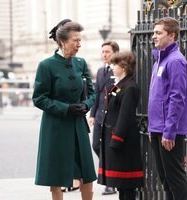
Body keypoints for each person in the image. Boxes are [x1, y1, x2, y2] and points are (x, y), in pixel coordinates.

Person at [32, 19, 97, 200]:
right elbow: (39, 98)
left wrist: (86, 105)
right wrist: (66, 108)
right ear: (63, 41)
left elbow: (92, 93)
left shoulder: (81, 63)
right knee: (56, 174)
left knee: (86, 170)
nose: (79, 44)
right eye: (75, 40)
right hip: (56, 126)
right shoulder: (46, 66)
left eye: (79, 40)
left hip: (78, 125)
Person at [148, 17, 187, 200]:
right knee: (166, 179)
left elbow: (177, 97)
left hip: (169, 131)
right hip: (157, 128)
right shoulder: (159, 59)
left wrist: (169, 131)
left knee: (176, 178)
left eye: (158, 33)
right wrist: (153, 128)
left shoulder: (176, 61)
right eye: (154, 32)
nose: (153, 36)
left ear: (172, 35)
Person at [97, 51, 144, 200]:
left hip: (123, 143)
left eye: (115, 64)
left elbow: (125, 117)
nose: (112, 67)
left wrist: (116, 139)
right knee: (121, 185)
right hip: (118, 142)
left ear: (123, 67)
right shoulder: (121, 85)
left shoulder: (130, 87)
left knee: (127, 185)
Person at [88, 40, 119, 195]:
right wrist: (92, 114)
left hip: (112, 117)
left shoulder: (118, 71)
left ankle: (111, 182)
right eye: (103, 51)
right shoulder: (100, 71)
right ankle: (112, 169)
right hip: (100, 116)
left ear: (115, 53)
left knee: (109, 149)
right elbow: (97, 93)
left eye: (107, 51)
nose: (104, 54)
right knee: (96, 145)